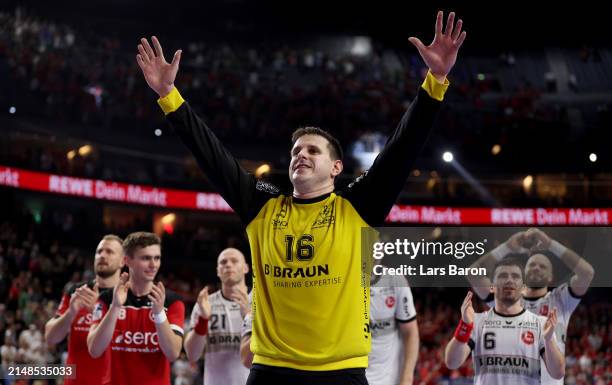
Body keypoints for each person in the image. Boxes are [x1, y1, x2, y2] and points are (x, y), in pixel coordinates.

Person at [137, 10, 466, 384]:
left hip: (341, 372)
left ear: (337, 167)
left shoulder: (357, 207)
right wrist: (169, 96)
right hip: (272, 370)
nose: (300, 155)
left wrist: (436, 80)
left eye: (313, 150)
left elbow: (401, 149)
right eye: (295, 150)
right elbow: (212, 157)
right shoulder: (262, 206)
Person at [468, 228, 595, 385]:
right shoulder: (504, 298)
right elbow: (473, 274)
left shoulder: (561, 299)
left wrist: (550, 244)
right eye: (532, 264)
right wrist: (506, 247)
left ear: (551, 277)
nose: (536, 268)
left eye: (542, 267)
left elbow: (587, 273)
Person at [445, 259, 565, 384]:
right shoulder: (477, 321)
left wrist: (549, 340)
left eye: (515, 276)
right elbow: (452, 363)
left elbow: (557, 373)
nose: (509, 280)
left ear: (524, 287)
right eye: (502, 276)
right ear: (491, 287)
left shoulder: (540, 324)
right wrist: (465, 325)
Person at [87, 232, 185, 385]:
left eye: (157, 258)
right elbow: (94, 350)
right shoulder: (107, 299)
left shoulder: (172, 301)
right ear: (127, 261)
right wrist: (115, 307)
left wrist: (159, 313)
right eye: (146, 258)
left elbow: (173, 353)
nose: (153, 264)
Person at [44, 234, 124, 385]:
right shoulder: (77, 291)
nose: (102, 256)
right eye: (99, 252)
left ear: (123, 261)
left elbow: (126, 343)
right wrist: (70, 313)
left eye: (109, 252)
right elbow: (50, 337)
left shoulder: (127, 296)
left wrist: (98, 311)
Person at [183, 248, 251, 385]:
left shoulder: (261, 302)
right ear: (217, 271)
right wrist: (203, 320)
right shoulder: (205, 303)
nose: (228, 264)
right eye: (223, 262)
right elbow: (192, 355)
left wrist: (249, 316)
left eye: (234, 261)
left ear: (246, 268)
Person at [367, 274, 419, 385]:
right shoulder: (343, 281)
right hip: (352, 376)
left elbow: (410, 333)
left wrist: (407, 380)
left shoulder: (396, 280)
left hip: (389, 379)